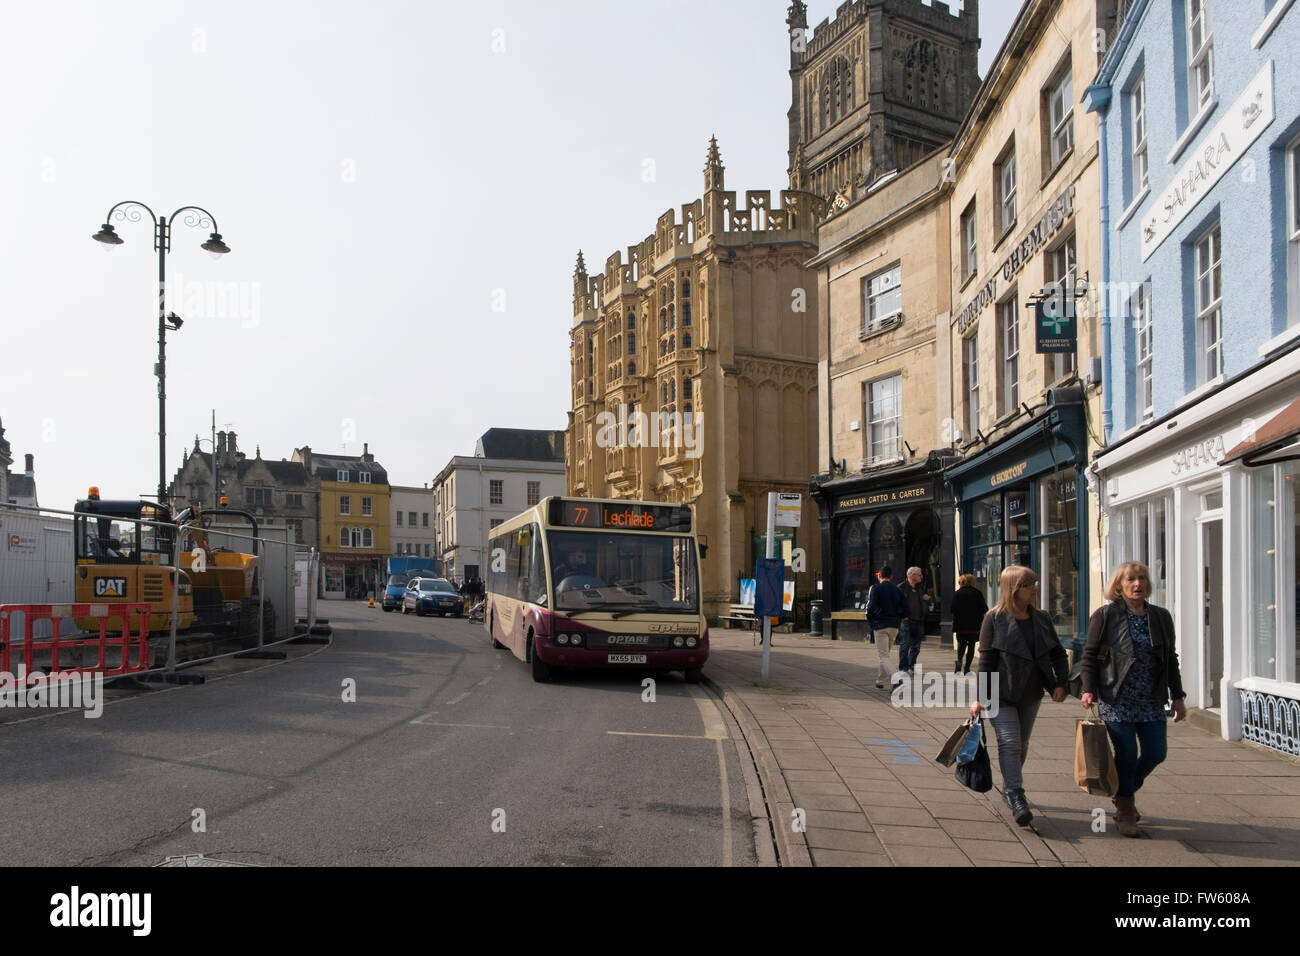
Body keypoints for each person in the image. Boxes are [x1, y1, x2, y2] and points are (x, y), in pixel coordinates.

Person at [1081, 562, 1186, 838]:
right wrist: (1088, 689)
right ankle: (1126, 810)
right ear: (1119, 585)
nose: (1137, 584)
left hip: (1151, 698)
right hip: (1117, 697)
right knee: (1126, 755)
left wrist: (1178, 696)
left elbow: (1170, 659)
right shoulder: (1105, 615)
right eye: (1131, 579)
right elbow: (1090, 655)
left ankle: (1122, 789)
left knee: (1156, 753)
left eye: (1141, 579)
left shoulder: (1161, 617)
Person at [971, 565, 1069, 827]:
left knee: (1021, 746)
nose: (1035, 587)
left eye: (1035, 582)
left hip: (1032, 692)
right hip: (1001, 694)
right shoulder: (993, 618)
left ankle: (1009, 785)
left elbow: (1058, 653)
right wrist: (981, 696)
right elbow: (986, 660)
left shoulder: (1042, 618)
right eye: (1028, 584)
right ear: (1013, 589)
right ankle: (1016, 794)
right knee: (1009, 742)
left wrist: (1061, 683)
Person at [866, 567, 906, 690]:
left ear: (879, 576)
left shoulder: (876, 588)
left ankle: (896, 679)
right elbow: (907, 609)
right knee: (886, 655)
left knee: (883, 656)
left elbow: (871, 607)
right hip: (894, 626)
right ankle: (880, 680)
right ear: (891, 576)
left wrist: (872, 620)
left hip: (880, 625)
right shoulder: (897, 590)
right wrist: (898, 618)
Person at [950, 573, 988, 675]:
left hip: (960, 625)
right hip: (974, 625)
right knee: (971, 646)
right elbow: (985, 608)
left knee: (961, 645)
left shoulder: (957, 593)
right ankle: (967, 668)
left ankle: (959, 662)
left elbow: (952, 609)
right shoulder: (977, 593)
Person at [897, 567, 931, 674]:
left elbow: (925, 601)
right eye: (919, 575)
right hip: (906, 621)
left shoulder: (920, 588)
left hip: (919, 619)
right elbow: (896, 604)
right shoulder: (901, 588)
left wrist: (928, 599)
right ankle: (903, 668)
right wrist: (903, 615)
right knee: (905, 645)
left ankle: (911, 666)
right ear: (911, 576)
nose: (921, 577)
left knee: (916, 646)